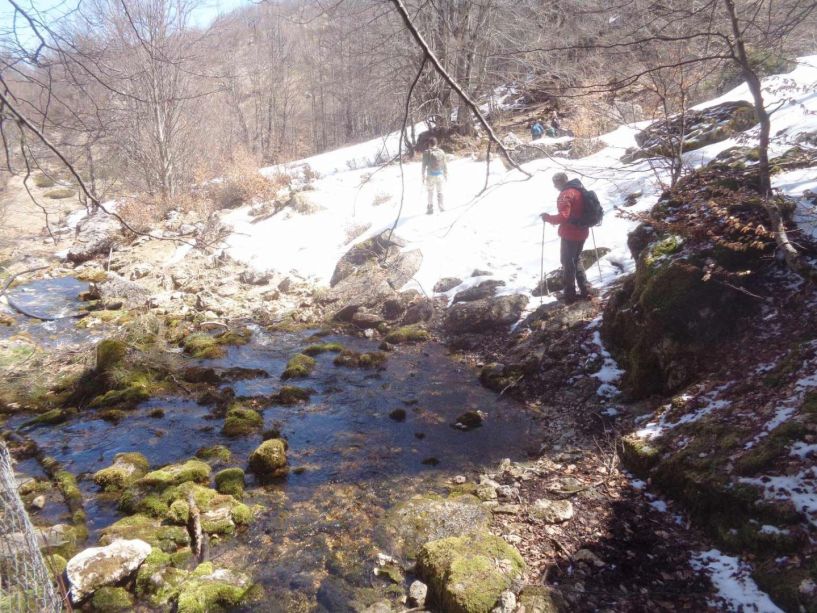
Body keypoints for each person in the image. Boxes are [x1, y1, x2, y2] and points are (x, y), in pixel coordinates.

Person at [541, 172, 591, 303]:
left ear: (559, 182)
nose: (554, 186)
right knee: (576, 260)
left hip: (570, 234)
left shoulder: (565, 194)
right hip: (583, 231)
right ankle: (586, 290)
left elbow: (564, 216)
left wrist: (548, 218)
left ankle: (570, 295)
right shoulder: (579, 190)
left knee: (568, 262)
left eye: (555, 183)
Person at [422, 137, 447, 214]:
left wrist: (422, 175)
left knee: (430, 191)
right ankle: (441, 207)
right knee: (440, 191)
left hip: (430, 175)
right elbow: (444, 165)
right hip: (440, 175)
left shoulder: (426, 153)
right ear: (436, 143)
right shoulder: (441, 152)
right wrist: (446, 174)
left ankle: (430, 209)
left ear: (429, 144)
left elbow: (423, 165)